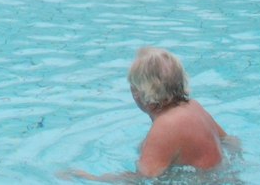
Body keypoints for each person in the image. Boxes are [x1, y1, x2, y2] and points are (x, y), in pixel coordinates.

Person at [65, 47, 234, 181]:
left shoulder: (164, 127)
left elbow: (141, 179)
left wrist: (89, 177)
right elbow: (230, 142)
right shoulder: (194, 106)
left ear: (137, 93)